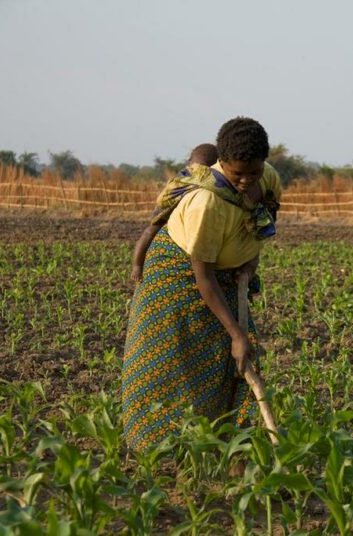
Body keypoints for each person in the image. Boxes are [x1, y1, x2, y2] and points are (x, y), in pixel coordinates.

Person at [122, 117, 282, 450]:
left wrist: (249, 260)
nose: (246, 181)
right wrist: (236, 334)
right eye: (237, 173)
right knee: (170, 360)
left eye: (253, 172)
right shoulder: (206, 203)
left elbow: (265, 215)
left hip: (227, 273)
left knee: (232, 360)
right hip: (177, 275)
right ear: (221, 163)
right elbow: (203, 276)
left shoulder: (267, 179)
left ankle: (227, 444)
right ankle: (159, 449)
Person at [130, 143, 219, 283]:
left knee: (150, 231)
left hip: (174, 208)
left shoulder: (186, 174)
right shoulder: (210, 177)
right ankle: (137, 265)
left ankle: (137, 265)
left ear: (190, 160)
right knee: (151, 231)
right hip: (174, 208)